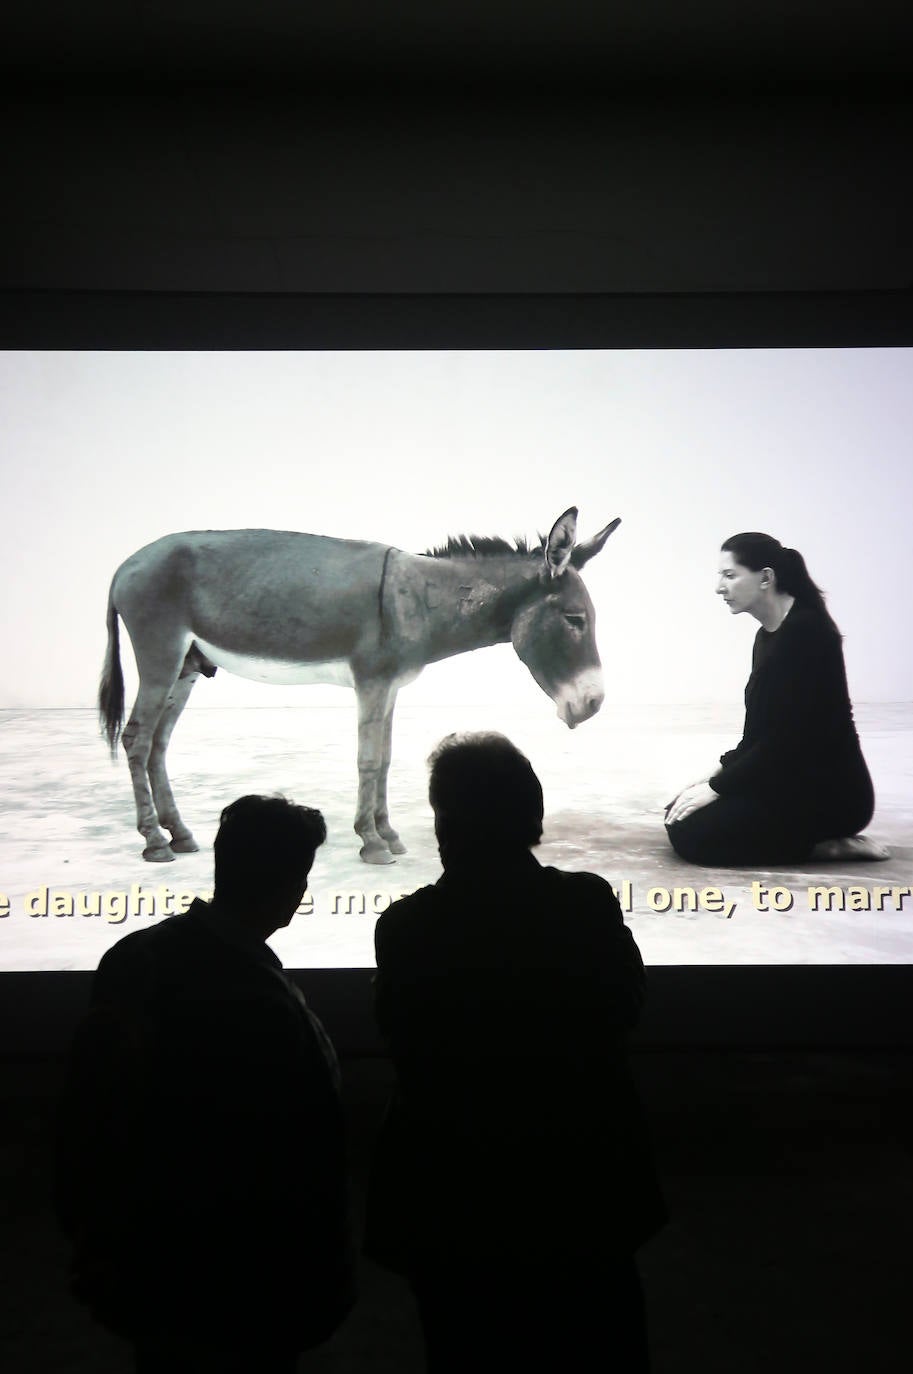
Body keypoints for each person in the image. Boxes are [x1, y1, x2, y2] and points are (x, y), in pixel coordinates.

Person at [364, 732, 666, 1373]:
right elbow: (625, 1008)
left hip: (455, 1206)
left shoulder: (407, 928)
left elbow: (401, 1040)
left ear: (445, 824)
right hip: (584, 1196)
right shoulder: (585, 906)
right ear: (531, 814)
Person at [55, 794, 356, 1374]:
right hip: (244, 1284)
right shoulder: (262, 1005)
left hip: (154, 1269)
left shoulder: (131, 958)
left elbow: (85, 1117)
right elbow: (302, 1154)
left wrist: (93, 1243)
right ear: (292, 887)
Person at [666, 532, 888, 866]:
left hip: (830, 793)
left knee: (693, 836)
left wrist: (718, 788)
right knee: (678, 813)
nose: (719, 587)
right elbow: (758, 736)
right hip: (785, 777)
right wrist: (714, 774)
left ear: (766, 577)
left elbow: (788, 741)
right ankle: (806, 840)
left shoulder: (806, 632)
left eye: (730, 575)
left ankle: (825, 847)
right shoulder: (767, 635)